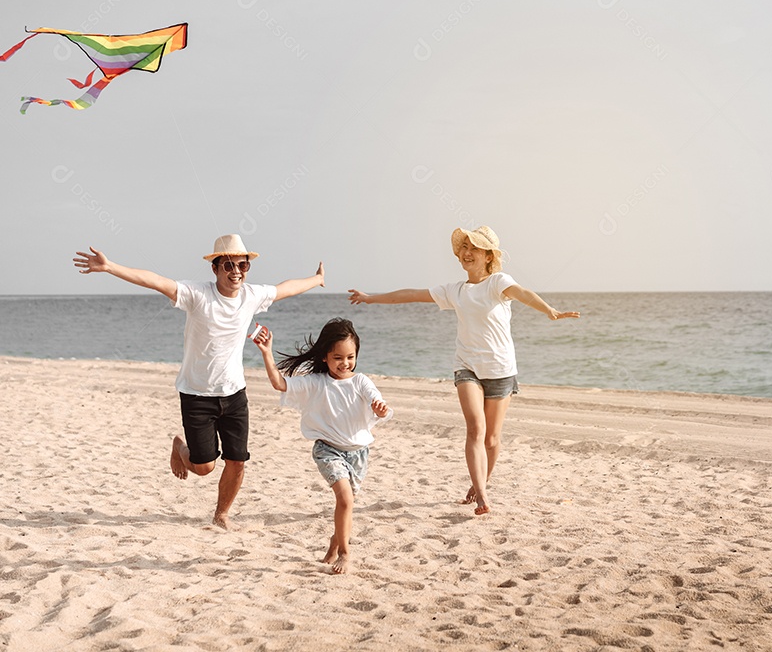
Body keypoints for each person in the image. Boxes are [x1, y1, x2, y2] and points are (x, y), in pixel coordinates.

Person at [73, 234, 324, 530]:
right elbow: (154, 280)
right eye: (228, 265)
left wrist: (317, 280)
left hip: (234, 394)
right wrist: (110, 266)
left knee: (237, 461)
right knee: (204, 468)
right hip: (196, 395)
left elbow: (285, 289)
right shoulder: (197, 295)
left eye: (242, 265)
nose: (236, 272)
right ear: (215, 268)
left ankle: (221, 515)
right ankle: (180, 447)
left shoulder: (251, 296)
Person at [347, 226, 578, 515]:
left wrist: (549, 311)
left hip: (501, 370)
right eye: (464, 248)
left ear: (488, 256)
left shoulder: (498, 283)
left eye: (475, 248)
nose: (467, 253)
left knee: (492, 439)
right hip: (467, 367)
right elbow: (411, 295)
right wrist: (371, 298)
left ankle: (480, 482)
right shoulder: (454, 291)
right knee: (475, 429)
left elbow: (522, 293)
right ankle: (481, 495)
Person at [252, 318, 392, 575]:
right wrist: (267, 352)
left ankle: (333, 544)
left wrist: (379, 408)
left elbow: (376, 400)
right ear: (325, 356)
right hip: (328, 451)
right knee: (346, 500)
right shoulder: (316, 382)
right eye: (338, 357)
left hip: (359, 454)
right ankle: (344, 553)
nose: (345, 363)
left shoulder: (361, 381)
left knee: (346, 505)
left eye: (350, 356)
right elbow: (280, 384)